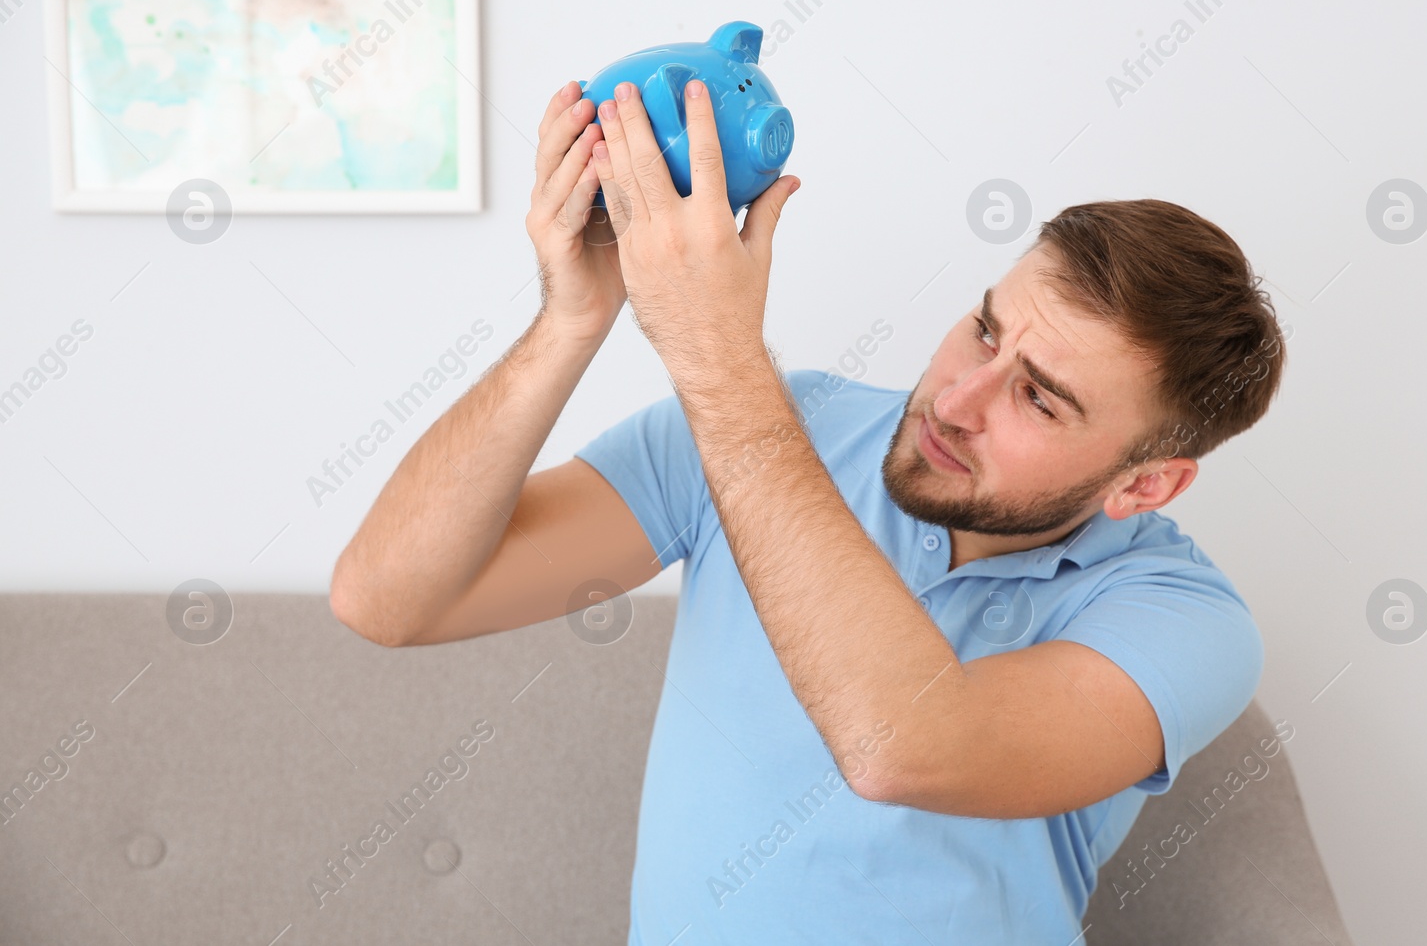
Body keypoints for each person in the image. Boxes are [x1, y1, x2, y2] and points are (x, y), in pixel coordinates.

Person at [330, 78, 1289, 944]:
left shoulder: (1186, 620)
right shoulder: (778, 423)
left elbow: (904, 745)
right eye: (985, 329)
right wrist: (571, 319)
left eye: (1038, 397)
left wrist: (718, 354)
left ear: (1145, 484)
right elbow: (388, 601)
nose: (957, 399)